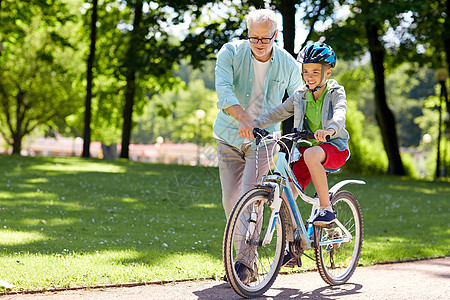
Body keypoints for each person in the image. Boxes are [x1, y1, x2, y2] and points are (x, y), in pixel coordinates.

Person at [214, 8, 302, 283]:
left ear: (276, 35)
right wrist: (243, 118)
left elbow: (300, 97)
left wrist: (302, 136)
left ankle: (245, 265)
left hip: (264, 140)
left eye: (265, 39)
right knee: (231, 201)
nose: (260, 44)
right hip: (229, 136)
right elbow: (224, 90)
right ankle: (241, 258)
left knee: (251, 198)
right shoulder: (230, 53)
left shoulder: (287, 63)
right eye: (254, 38)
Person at [251, 42, 350, 226]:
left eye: (315, 72)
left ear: (327, 72)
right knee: (286, 198)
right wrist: (255, 124)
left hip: (334, 147)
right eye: (306, 71)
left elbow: (340, 113)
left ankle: (326, 209)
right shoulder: (301, 94)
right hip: (307, 152)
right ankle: (292, 246)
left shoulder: (336, 92)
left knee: (311, 154)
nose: (309, 77)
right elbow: (279, 112)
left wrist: (329, 130)